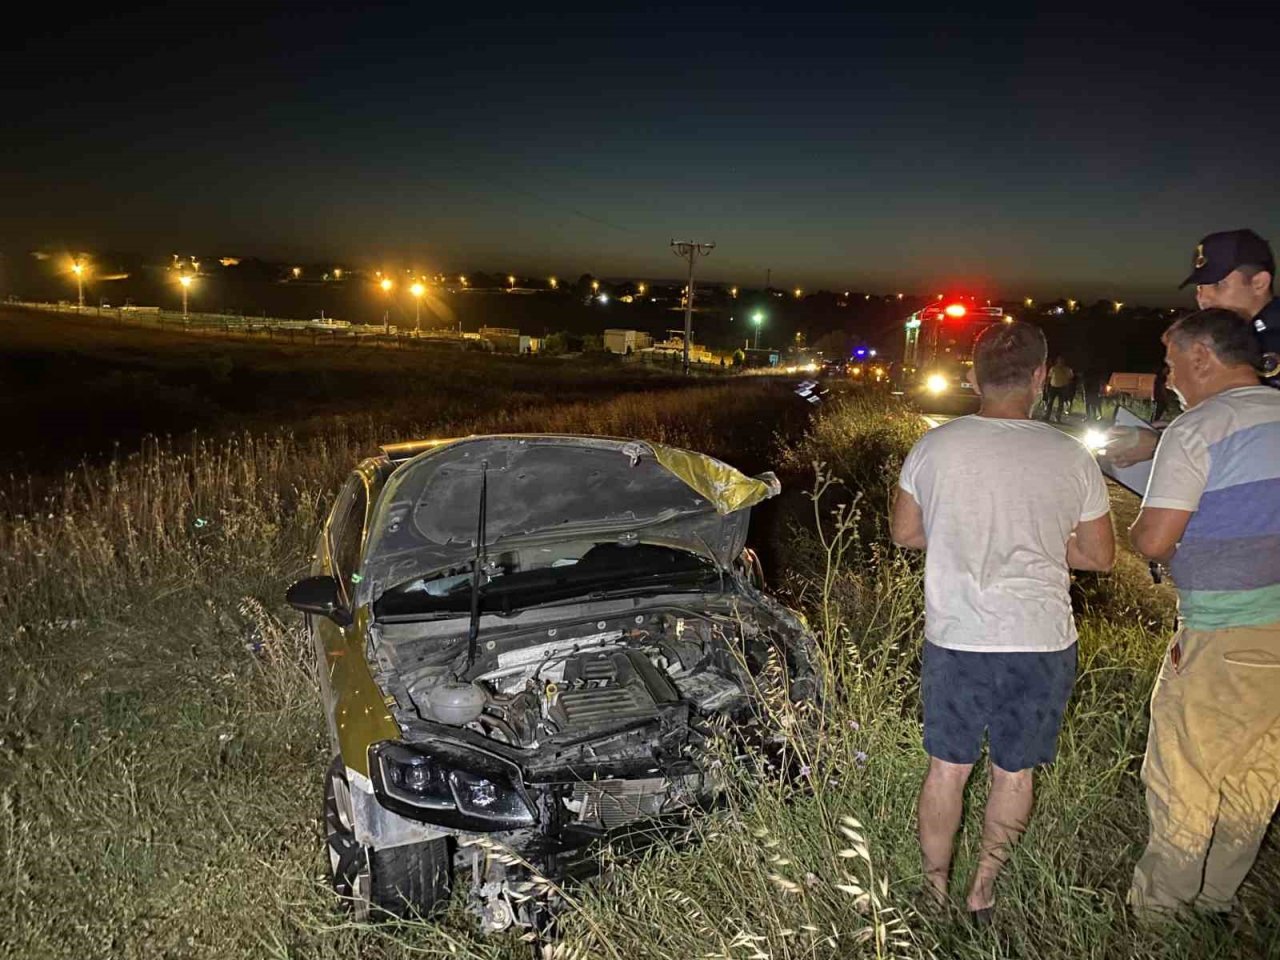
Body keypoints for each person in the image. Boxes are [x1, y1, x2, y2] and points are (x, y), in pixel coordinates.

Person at [890, 322, 1115, 919]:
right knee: (1014, 774)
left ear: (972, 376)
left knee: (947, 768)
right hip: (1040, 640)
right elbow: (1098, 556)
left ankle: (933, 893)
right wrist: (1041, 541)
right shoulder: (1071, 455)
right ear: (1042, 377)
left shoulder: (933, 448)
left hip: (957, 636)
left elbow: (905, 533)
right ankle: (982, 892)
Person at [1125, 308, 1280, 918]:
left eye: (1170, 364)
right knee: (1257, 774)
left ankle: (1162, 916)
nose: (1169, 379)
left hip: (1222, 633)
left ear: (1201, 357)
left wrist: (1143, 520)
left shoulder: (1197, 430)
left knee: (1185, 776)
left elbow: (1155, 540)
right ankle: (1216, 901)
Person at [1110, 228, 1277, 468]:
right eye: (1199, 287)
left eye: (1218, 284)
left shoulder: (1269, 344)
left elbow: (1263, 436)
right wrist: (1175, 429)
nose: (1203, 299)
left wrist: (1162, 445)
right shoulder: (1228, 339)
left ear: (1259, 282)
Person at [1045, 356, 1075, 422]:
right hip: (1053, 387)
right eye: (1059, 360)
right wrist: (1047, 386)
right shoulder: (1053, 368)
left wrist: (1068, 387)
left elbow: (1071, 378)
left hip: (1062, 388)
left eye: (1062, 360)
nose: (1060, 362)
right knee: (1050, 402)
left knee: (1060, 404)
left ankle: (1058, 417)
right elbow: (1049, 377)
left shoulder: (1067, 369)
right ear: (1057, 361)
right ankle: (1047, 416)